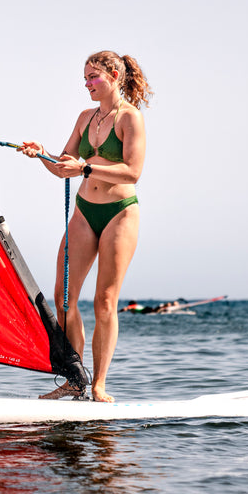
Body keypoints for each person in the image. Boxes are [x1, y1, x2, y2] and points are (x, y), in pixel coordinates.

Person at [21, 50, 151, 402]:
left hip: (119, 213)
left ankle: (99, 386)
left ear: (113, 75)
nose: (88, 84)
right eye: (85, 78)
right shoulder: (84, 118)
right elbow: (65, 167)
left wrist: (87, 169)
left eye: (93, 77)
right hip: (84, 212)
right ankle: (75, 378)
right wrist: (42, 154)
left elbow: (133, 171)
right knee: (64, 299)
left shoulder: (130, 119)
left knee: (104, 301)